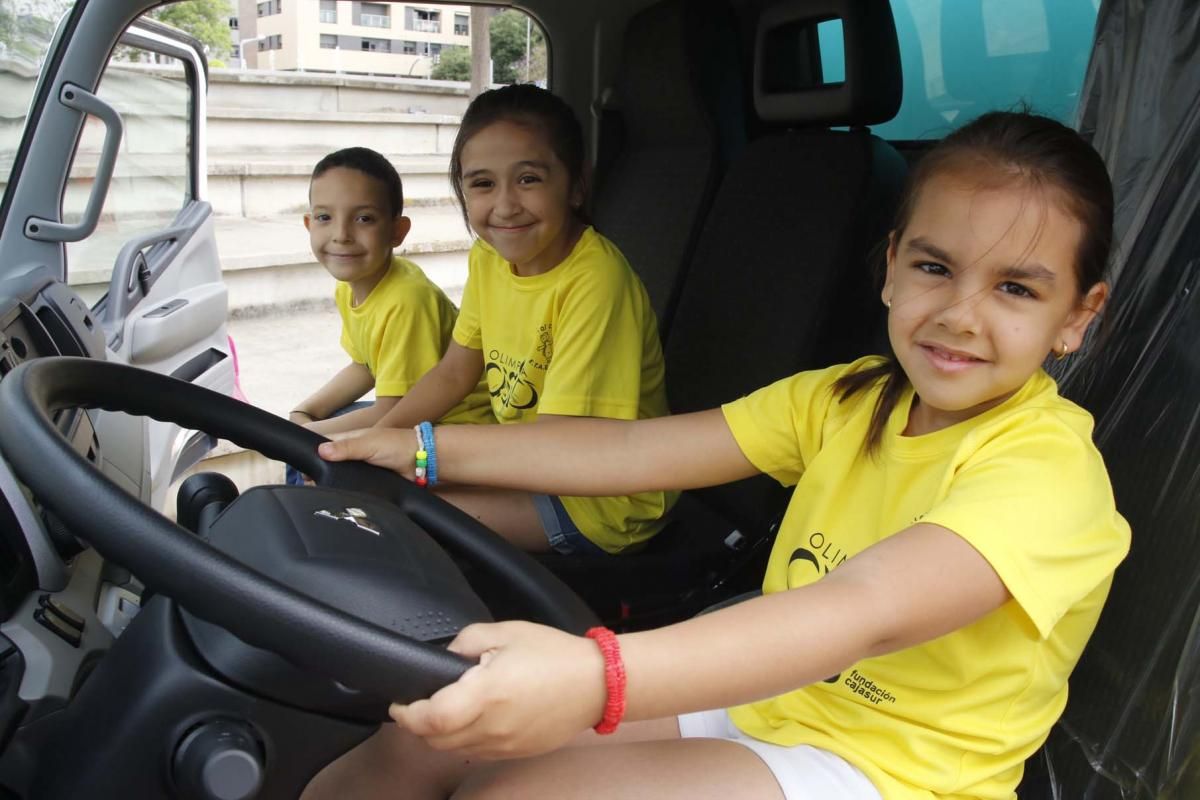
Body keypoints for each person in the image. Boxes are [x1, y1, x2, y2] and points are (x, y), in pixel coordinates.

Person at [303, 110, 1132, 800]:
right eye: (934, 267)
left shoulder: (1049, 473)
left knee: (515, 795)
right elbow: (631, 451)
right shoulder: (846, 397)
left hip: (889, 770)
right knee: (432, 737)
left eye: (1016, 289)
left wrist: (596, 677)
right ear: (889, 269)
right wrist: (416, 448)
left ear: (1078, 317)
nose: (959, 314)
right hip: (774, 697)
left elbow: (858, 609)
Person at [368, 84, 673, 556]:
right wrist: (378, 439)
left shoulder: (595, 281)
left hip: (600, 498)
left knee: (395, 520)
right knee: (365, 485)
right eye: (483, 184)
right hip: (526, 459)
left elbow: (559, 448)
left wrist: (423, 455)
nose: (505, 206)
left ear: (575, 186)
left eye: (528, 179)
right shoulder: (488, 258)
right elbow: (454, 372)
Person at [286, 147, 490, 484]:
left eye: (363, 218)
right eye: (325, 217)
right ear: (308, 224)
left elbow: (392, 412)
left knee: (305, 459)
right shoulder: (351, 284)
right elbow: (365, 366)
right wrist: (305, 413)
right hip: (408, 418)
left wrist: (306, 436)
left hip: (450, 427)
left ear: (398, 231)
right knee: (299, 449)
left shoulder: (406, 300)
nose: (341, 234)